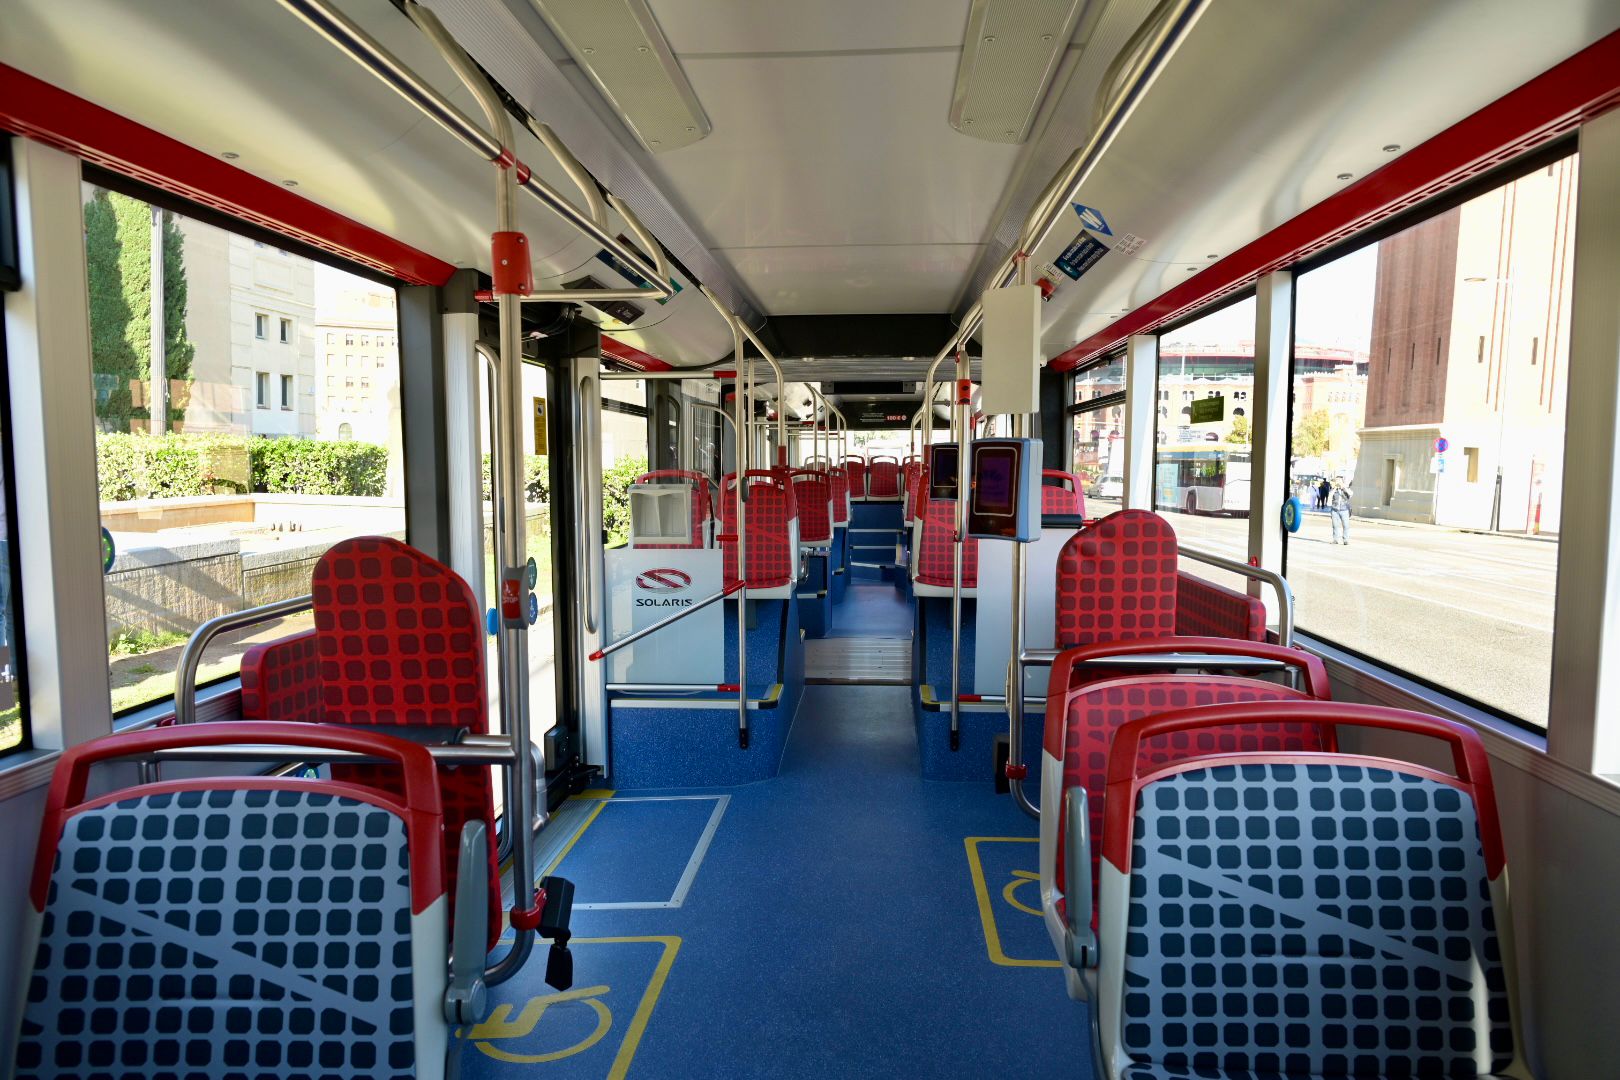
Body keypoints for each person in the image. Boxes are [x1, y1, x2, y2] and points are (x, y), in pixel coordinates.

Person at [1329, 479, 1352, 545]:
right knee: (1335, 526)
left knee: (1346, 526)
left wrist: (1343, 487)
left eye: (1340, 482)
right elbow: (1330, 495)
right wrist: (1335, 487)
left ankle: (1345, 540)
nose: (1338, 483)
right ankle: (1335, 540)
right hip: (1335, 510)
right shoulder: (1333, 490)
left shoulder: (1346, 490)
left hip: (1344, 510)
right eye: (1337, 482)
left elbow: (1351, 494)